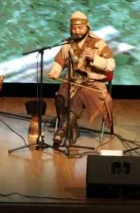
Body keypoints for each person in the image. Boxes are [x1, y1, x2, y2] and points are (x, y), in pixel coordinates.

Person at [47, 11, 116, 147]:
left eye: (80, 28)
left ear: (87, 27)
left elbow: (111, 65)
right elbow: (59, 62)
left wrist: (94, 58)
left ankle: (61, 131)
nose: (77, 31)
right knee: (60, 99)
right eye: (74, 28)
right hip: (72, 82)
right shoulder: (68, 44)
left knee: (78, 99)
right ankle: (73, 128)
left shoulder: (98, 43)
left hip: (92, 84)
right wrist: (55, 71)